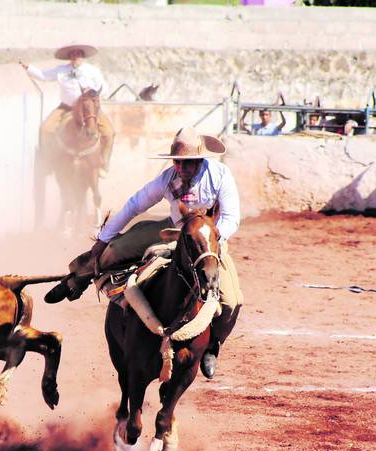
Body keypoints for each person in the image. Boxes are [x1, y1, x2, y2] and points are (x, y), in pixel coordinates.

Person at [45, 127, 243, 379]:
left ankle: (213, 345)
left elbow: (231, 218)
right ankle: (76, 279)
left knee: (231, 300)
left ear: (201, 160)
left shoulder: (220, 175)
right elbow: (134, 205)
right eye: (178, 163)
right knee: (115, 248)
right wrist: (102, 240)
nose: (182, 168)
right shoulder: (168, 179)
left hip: (208, 240)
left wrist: (209, 241)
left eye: (188, 163)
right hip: (173, 230)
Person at [20, 44, 115, 176]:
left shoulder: (93, 71)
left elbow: (104, 88)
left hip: (89, 109)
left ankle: (104, 163)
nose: (76, 57)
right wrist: (28, 68)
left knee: (109, 132)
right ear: (69, 57)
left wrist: (94, 94)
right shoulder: (61, 70)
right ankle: (47, 162)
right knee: (45, 129)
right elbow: (43, 76)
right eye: (73, 54)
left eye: (78, 54)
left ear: (83, 56)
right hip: (66, 107)